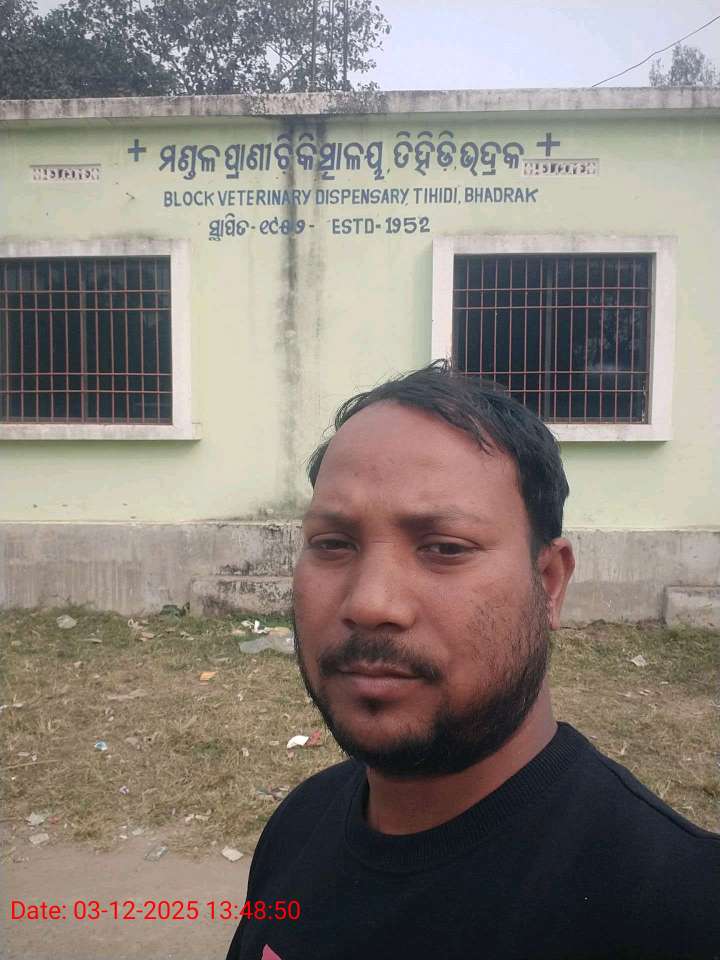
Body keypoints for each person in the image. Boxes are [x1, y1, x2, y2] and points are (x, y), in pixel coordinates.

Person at [226, 362, 720, 960]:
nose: (370, 603)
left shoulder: (681, 911)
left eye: (444, 548)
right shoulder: (299, 826)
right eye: (333, 544)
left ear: (549, 582)